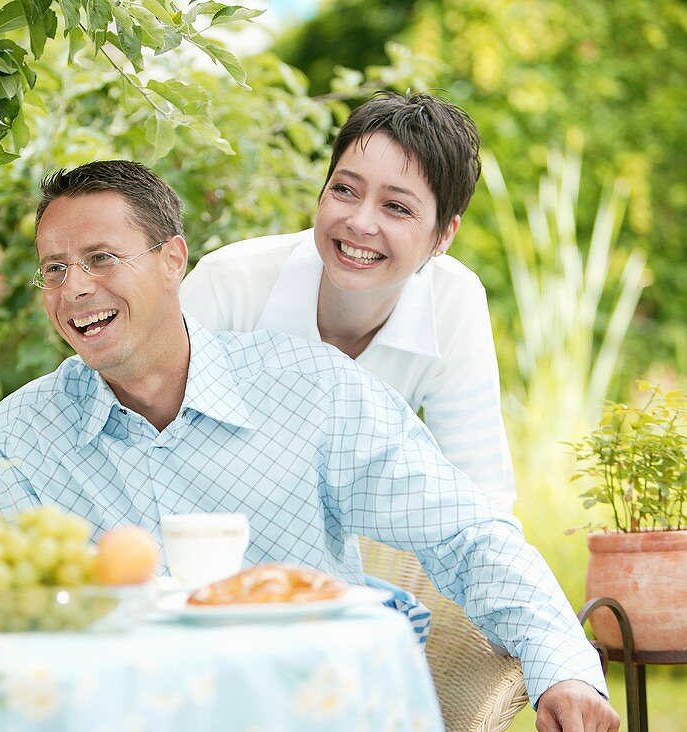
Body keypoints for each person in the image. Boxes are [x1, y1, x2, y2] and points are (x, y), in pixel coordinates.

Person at [0, 160, 618, 730]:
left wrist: (562, 666)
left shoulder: (312, 392)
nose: (75, 289)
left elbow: (468, 534)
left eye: (101, 258)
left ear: (173, 261)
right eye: (54, 269)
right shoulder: (18, 437)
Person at [180, 92, 515, 513]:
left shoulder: (453, 302)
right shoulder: (229, 283)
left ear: (445, 234)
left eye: (396, 207)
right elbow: (147, 445)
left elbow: (481, 494)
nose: (359, 222)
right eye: (345, 190)